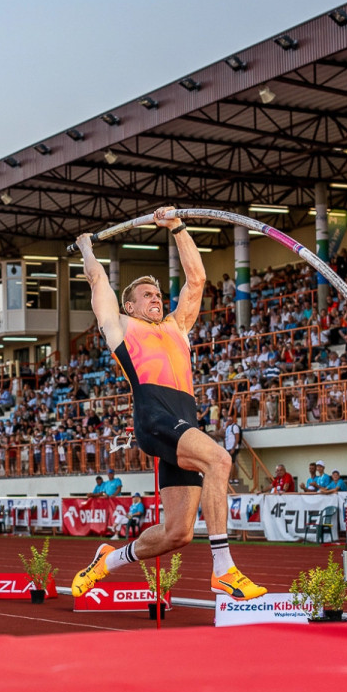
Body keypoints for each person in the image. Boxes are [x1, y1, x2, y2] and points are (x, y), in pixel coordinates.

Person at [70, 211, 266, 601]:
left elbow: (196, 280)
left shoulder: (178, 327)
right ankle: (224, 569)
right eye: (147, 295)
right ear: (129, 306)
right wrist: (86, 247)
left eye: (158, 294)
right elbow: (96, 280)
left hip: (183, 421)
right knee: (220, 460)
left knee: (178, 533)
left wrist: (177, 228)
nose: (156, 299)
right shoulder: (121, 327)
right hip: (154, 417)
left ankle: (106, 561)